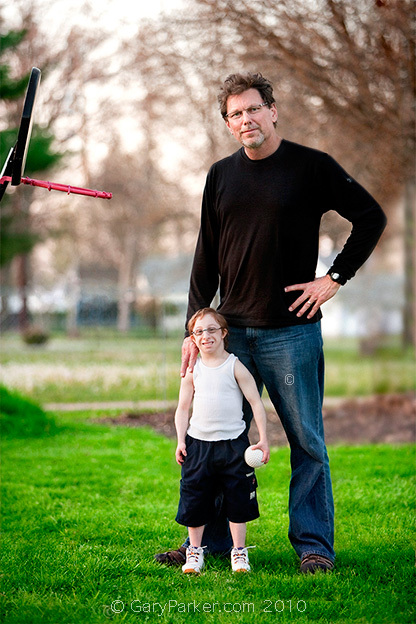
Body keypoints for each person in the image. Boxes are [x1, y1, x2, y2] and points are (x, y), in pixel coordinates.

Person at [155, 71, 387, 574]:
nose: (246, 119)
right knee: (216, 438)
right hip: (231, 335)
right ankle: (210, 543)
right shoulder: (220, 175)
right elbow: (205, 257)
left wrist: (334, 278)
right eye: (235, 113)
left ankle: (313, 548)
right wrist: (193, 331)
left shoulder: (311, 167)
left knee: (306, 441)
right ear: (227, 123)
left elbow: (371, 216)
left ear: (273, 110)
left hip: (292, 331)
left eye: (254, 109)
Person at [175, 307, 270, 574]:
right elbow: (183, 408)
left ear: (224, 333)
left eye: (212, 329)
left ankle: (238, 552)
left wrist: (263, 439)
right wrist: (181, 440)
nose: (206, 335)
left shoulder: (235, 365)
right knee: (195, 498)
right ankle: (194, 552)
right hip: (198, 446)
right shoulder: (192, 371)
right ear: (192, 339)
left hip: (233, 446)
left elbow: (255, 401)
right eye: (199, 331)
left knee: (238, 499)